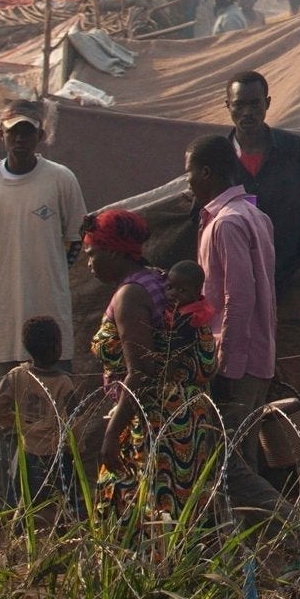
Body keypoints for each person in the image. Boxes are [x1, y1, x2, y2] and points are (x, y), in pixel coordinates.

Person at [222, 70, 300, 525]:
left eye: (256, 103)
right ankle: (262, 488)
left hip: (287, 283)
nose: (249, 112)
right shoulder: (219, 156)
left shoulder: (293, 150)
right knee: (244, 389)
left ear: (268, 104)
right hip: (239, 294)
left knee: (298, 383)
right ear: (228, 107)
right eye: (240, 105)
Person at [82, 207, 219, 517]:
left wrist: (111, 436)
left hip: (153, 421)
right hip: (181, 417)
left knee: (137, 512)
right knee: (176, 514)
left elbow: (141, 372)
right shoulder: (157, 279)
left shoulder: (130, 295)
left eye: (93, 253)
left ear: (115, 253)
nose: (89, 263)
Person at [187, 133, 288, 523]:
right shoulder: (255, 216)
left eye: (190, 173)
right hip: (256, 354)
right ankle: (247, 546)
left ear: (207, 172)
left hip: (236, 360)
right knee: (239, 456)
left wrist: (223, 365)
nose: (189, 183)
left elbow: (238, 299)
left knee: (229, 464)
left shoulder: (227, 223)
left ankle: (296, 534)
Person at [0, 102, 87, 377]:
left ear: (39, 137)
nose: (20, 139)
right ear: (1, 135)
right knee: (8, 401)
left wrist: (51, 272)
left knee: (55, 395)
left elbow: (76, 237)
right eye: (13, 132)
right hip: (5, 308)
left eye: (27, 132)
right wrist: (6, 274)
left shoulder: (60, 179)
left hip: (50, 305)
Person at [0, 315, 79, 510]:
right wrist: (76, 449)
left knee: (23, 505)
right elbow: (74, 422)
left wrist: (14, 422)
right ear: (57, 347)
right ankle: (66, 538)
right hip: (57, 456)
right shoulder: (64, 383)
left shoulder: (17, 375)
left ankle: (17, 538)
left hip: (27, 452)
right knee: (66, 507)